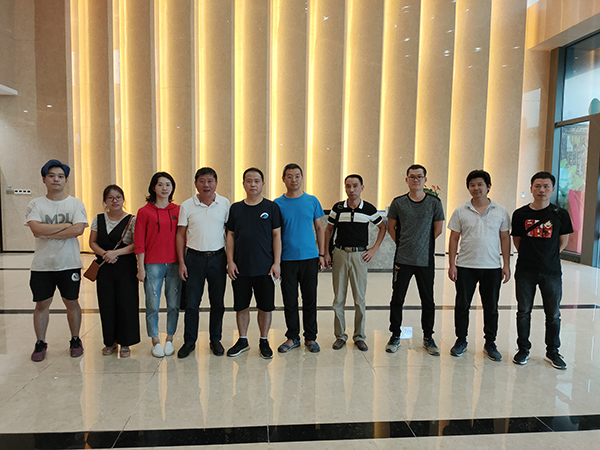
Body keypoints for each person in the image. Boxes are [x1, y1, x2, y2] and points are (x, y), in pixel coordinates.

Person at [26, 159, 88, 361]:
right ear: (44, 179)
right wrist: (65, 226)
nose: (56, 179)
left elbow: (78, 230)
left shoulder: (75, 203)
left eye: (60, 176)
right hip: (42, 265)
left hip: (69, 263)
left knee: (72, 302)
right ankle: (40, 342)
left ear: (66, 180)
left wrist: (46, 231)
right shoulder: (35, 204)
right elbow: (36, 229)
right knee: (42, 304)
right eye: (51, 176)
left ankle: (75, 339)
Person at [511, 171, 573, 369]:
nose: (542, 190)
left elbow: (563, 242)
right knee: (523, 312)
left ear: (552, 189)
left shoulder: (560, 214)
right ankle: (523, 349)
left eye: (546, 186)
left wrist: (548, 256)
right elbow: (517, 241)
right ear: (531, 189)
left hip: (551, 271)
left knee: (553, 314)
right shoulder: (520, 214)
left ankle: (552, 351)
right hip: (525, 270)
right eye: (537, 186)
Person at [447, 170, 511, 361]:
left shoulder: (500, 211)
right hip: (465, 266)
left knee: (491, 307)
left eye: (480, 184)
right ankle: (461, 340)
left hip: (492, 267)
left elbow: (505, 238)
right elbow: (453, 239)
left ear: (488, 187)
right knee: (462, 305)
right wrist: (452, 264)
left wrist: (506, 265)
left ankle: (490, 342)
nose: (476, 188)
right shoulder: (460, 211)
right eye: (472, 185)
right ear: (468, 188)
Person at [386, 164, 445, 355]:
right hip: (402, 259)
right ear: (407, 180)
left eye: (419, 176)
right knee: (397, 299)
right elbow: (391, 228)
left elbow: (438, 229)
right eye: (412, 177)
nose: (416, 180)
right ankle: (395, 335)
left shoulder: (434, 202)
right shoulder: (398, 203)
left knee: (427, 300)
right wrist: (405, 244)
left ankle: (428, 337)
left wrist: (421, 244)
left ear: (425, 180)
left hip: (425, 260)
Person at [324, 174, 386, 352]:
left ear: (362, 188)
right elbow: (329, 229)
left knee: (359, 298)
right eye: (348, 186)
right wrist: (326, 252)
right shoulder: (338, 208)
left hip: (360, 256)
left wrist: (374, 248)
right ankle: (340, 336)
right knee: (339, 298)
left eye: (355, 186)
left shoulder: (369, 209)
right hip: (340, 254)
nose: (351, 190)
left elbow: (382, 227)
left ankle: (359, 336)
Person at [226, 167, 281, 359]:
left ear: (263, 184)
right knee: (241, 305)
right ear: (243, 184)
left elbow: (277, 236)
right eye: (249, 181)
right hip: (240, 267)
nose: (253, 184)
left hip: (265, 267)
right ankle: (242, 340)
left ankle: (264, 340)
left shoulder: (271, 207)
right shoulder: (235, 208)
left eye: (257, 181)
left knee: (265, 306)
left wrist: (277, 263)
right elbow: (230, 235)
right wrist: (230, 261)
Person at [176, 168, 230, 358]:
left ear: (216, 183)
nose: (206, 185)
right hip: (194, 259)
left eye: (210, 181)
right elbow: (180, 235)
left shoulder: (224, 203)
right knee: (192, 303)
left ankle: (215, 339)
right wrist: (181, 262)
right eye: (202, 181)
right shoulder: (186, 205)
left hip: (218, 258)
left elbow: (229, 233)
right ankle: (189, 341)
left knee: (218, 303)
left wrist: (230, 260)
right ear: (195, 183)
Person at [274, 163, 325, 353]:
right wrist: (276, 261)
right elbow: (275, 234)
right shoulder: (277, 204)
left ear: (302, 178)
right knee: (290, 300)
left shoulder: (312, 200)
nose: (293, 179)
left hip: (310, 257)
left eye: (297, 176)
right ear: (283, 179)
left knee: (310, 299)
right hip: (287, 259)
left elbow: (319, 228)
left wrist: (322, 254)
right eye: (289, 176)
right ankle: (293, 337)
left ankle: (311, 337)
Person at [89, 185, 140, 358]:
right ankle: (109, 341)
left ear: (123, 199)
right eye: (110, 197)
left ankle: (125, 342)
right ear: (105, 201)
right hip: (105, 267)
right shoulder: (99, 219)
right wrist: (105, 254)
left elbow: (136, 244)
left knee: (127, 303)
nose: (115, 201)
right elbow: (92, 242)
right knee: (106, 303)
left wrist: (115, 253)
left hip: (126, 266)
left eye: (118, 197)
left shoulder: (131, 219)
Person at [134, 172, 181, 358]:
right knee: (152, 303)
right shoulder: (144, 211)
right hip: (153, 263)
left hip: (175, 263)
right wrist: (140, 267)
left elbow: (183, 238)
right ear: (153, 187)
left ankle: (170, 338)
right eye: (160, 184)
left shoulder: (178, 210)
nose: (164, 188)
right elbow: (139, 241)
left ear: (172, 187)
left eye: (168, 184)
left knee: (174, 303)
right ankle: (155, 339)